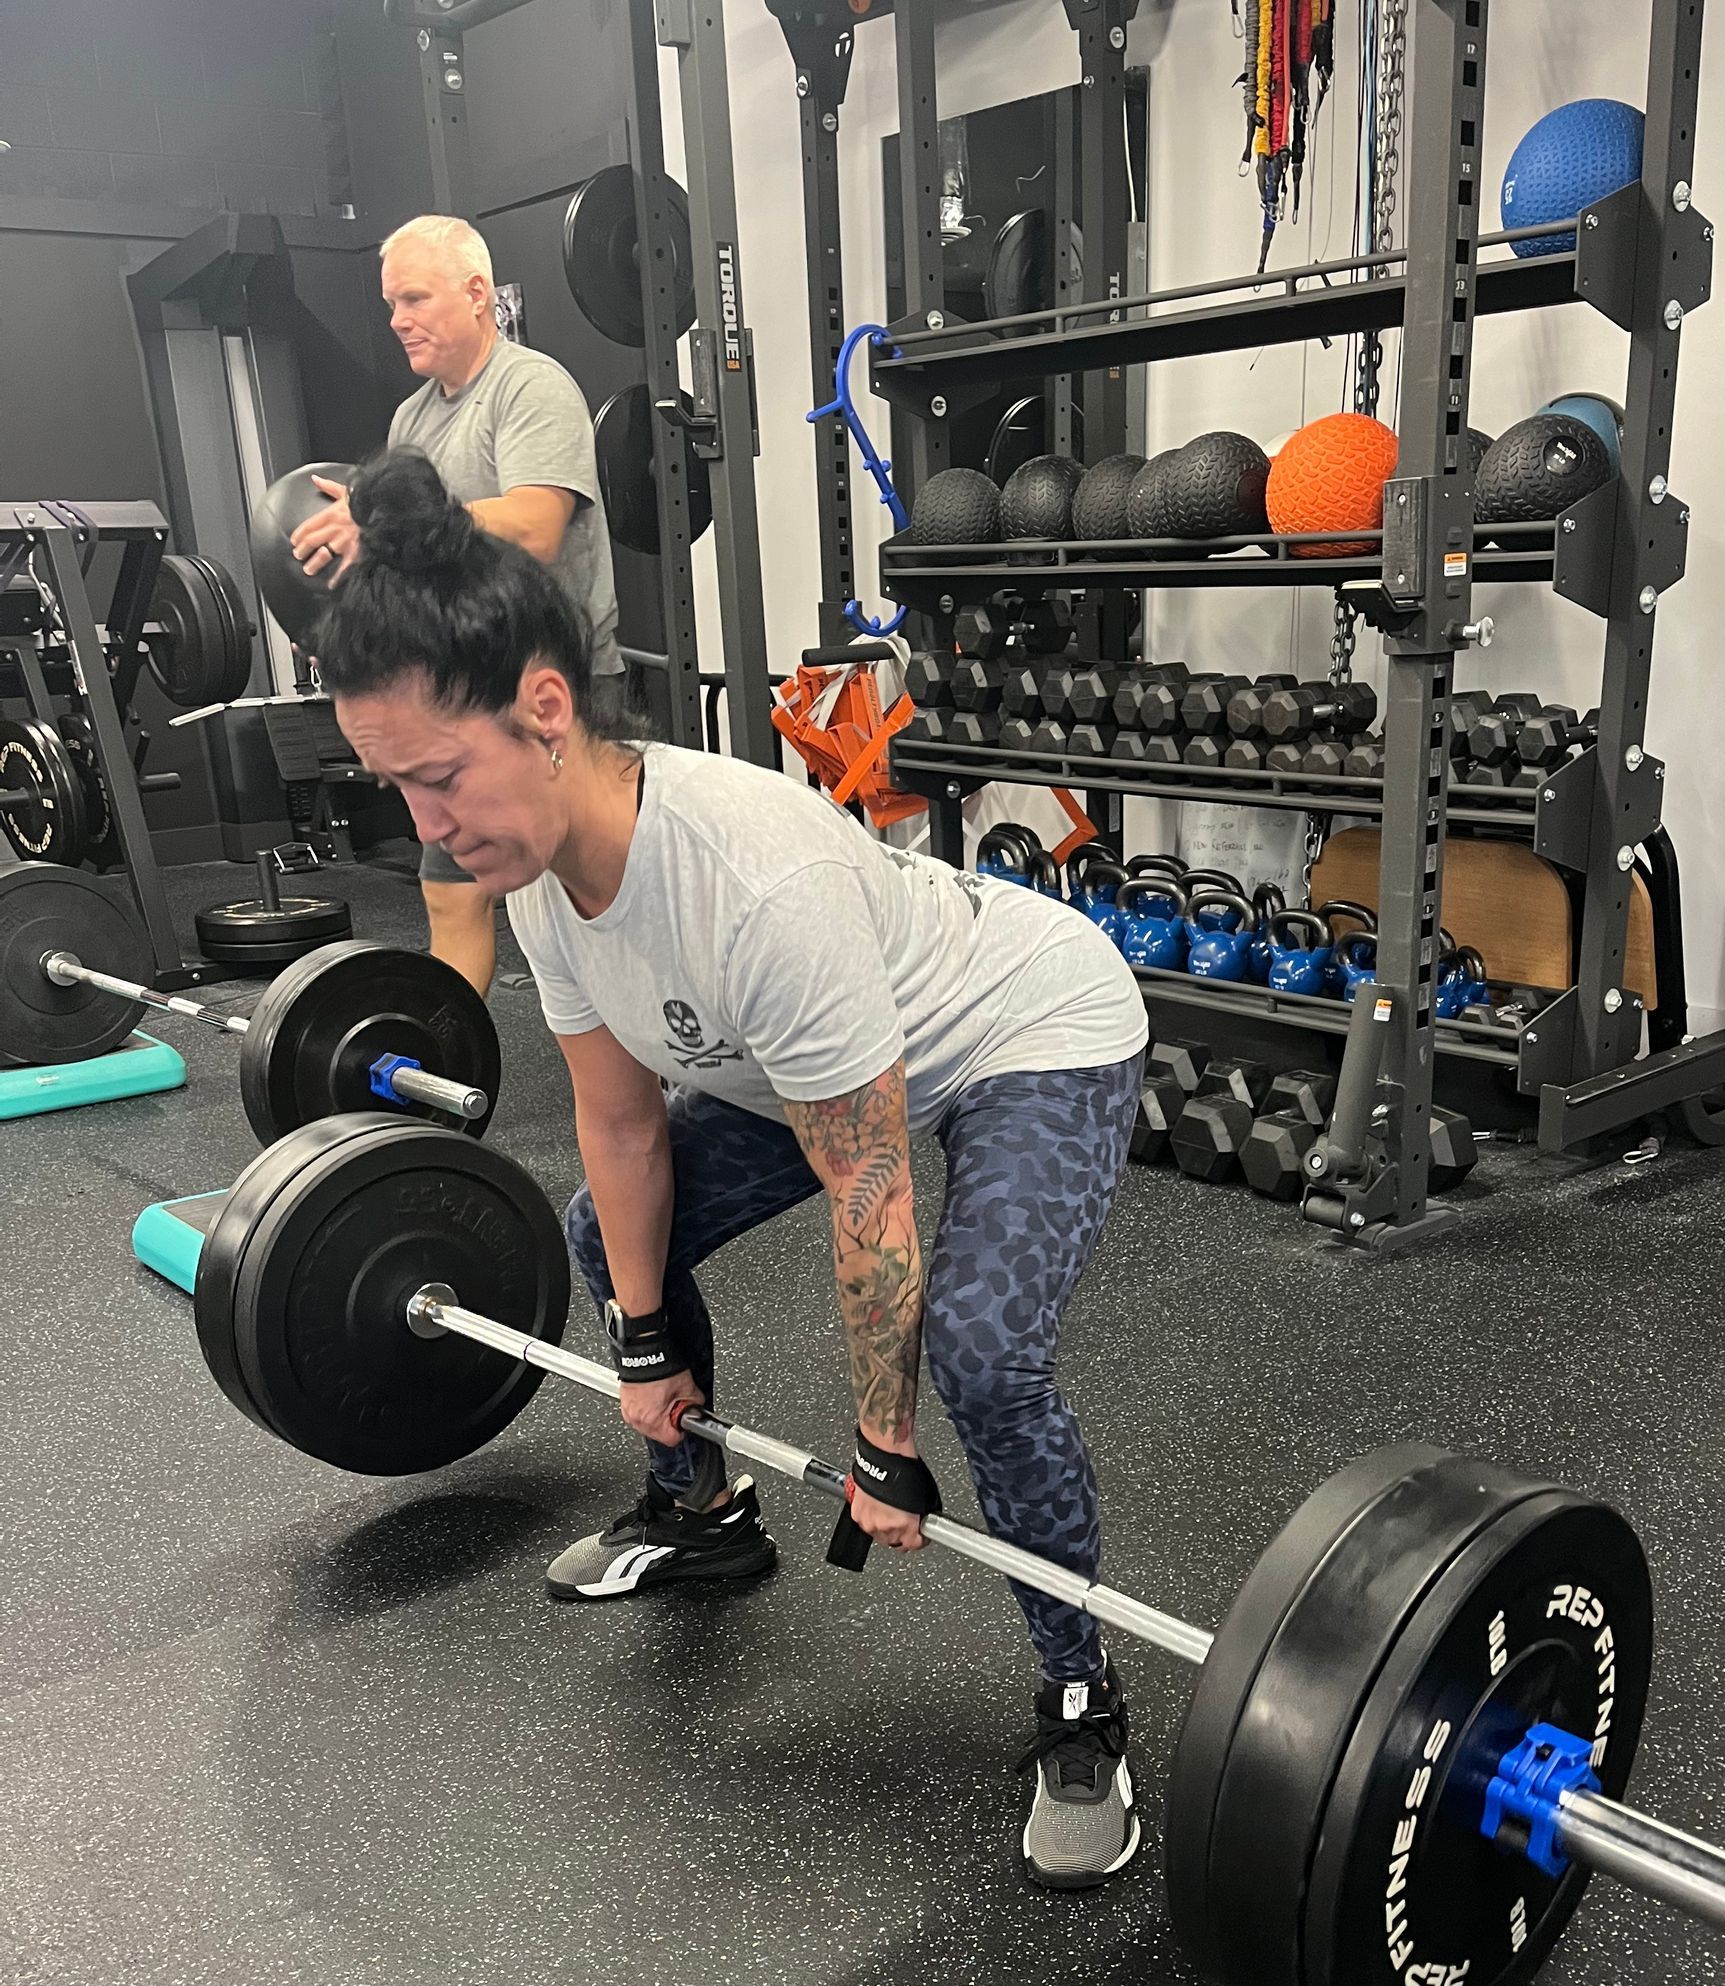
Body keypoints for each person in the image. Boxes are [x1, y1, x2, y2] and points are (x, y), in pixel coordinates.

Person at [316, 451, 1150, 1893]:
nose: (429, 832)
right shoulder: (545, 885)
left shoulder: (752, 885)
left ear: (546, 708)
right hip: (797, 1065)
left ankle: (1081, 1696)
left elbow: (872, 1194)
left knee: (983, 1355)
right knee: (603, 1235)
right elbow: (623, 1127)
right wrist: (643, 1346)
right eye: (399, 791)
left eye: (441, 777)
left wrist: (885, 1445)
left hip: (1027, 1028)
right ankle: (699, 1510)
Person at [289, 214, 623, 997]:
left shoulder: (528, 387)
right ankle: (444, 1067)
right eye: (390, 305)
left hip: (555, 691)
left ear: (477, 294)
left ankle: (644, 1078)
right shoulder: (413, 418)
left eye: (413, 298)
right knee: (450, 892)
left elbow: (537, 526)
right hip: (449, 694)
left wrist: (387, 520)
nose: (398, 320)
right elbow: (410, 561)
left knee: (595, 903)